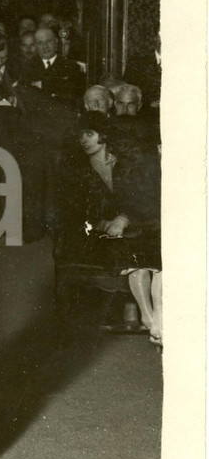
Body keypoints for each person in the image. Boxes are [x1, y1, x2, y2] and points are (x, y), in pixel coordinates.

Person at [56, 112, 162, 344]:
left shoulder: (125, 163)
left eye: (89, 133)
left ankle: (156, 321)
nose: (83, 140)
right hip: (95, 236)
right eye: (80, 135)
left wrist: (123, 219)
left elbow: (143, 200)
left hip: (133, 227)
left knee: (155, 257)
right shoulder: (75, 170)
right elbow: (75, 212)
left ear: (103, 135)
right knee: (132, 256)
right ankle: (150, 321)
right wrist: (105, 224)